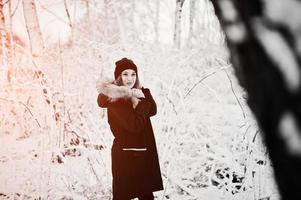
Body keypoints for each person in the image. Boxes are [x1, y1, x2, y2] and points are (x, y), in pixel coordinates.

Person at [97, 58, 163, 200]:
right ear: (118, 77)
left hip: (140, 155)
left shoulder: (137, 92)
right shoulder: (116, 99)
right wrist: (142, 100)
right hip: (125, 158)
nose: (130, 78)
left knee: (146, 196)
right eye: (125, 74)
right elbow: (135, 125)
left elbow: (153, 110)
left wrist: (141, 95)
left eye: (133, 74)